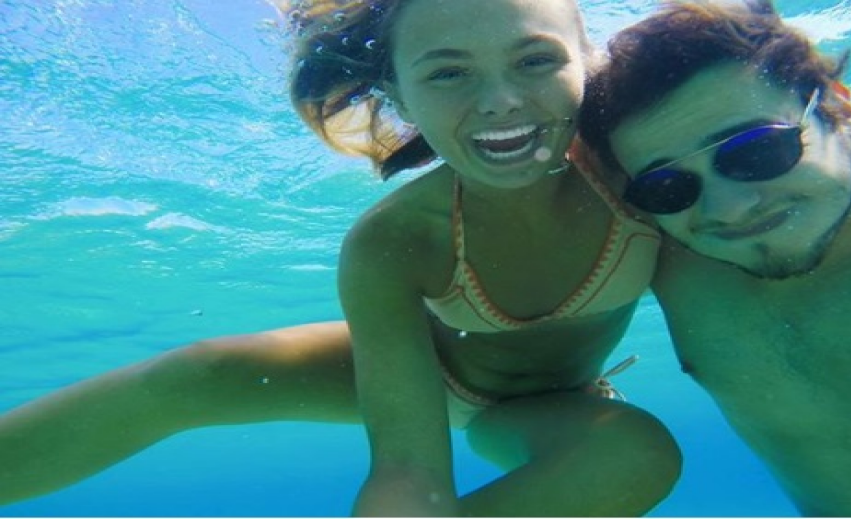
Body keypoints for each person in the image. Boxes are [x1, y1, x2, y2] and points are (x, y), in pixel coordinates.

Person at [0, 0, 681, 516]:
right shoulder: (395, 238)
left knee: (633, 455)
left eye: (535, 61)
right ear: (397, 93)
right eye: (448, 72)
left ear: (586, 59)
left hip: (555, 406)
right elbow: (407, 470)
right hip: (432, 378)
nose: (501, 101)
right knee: (201, 372)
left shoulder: (644, 176)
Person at [579, 0, 851, 515]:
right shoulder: (671, 254)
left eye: (756, 150)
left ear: (840, 108)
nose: (729, 210)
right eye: (668, 186)